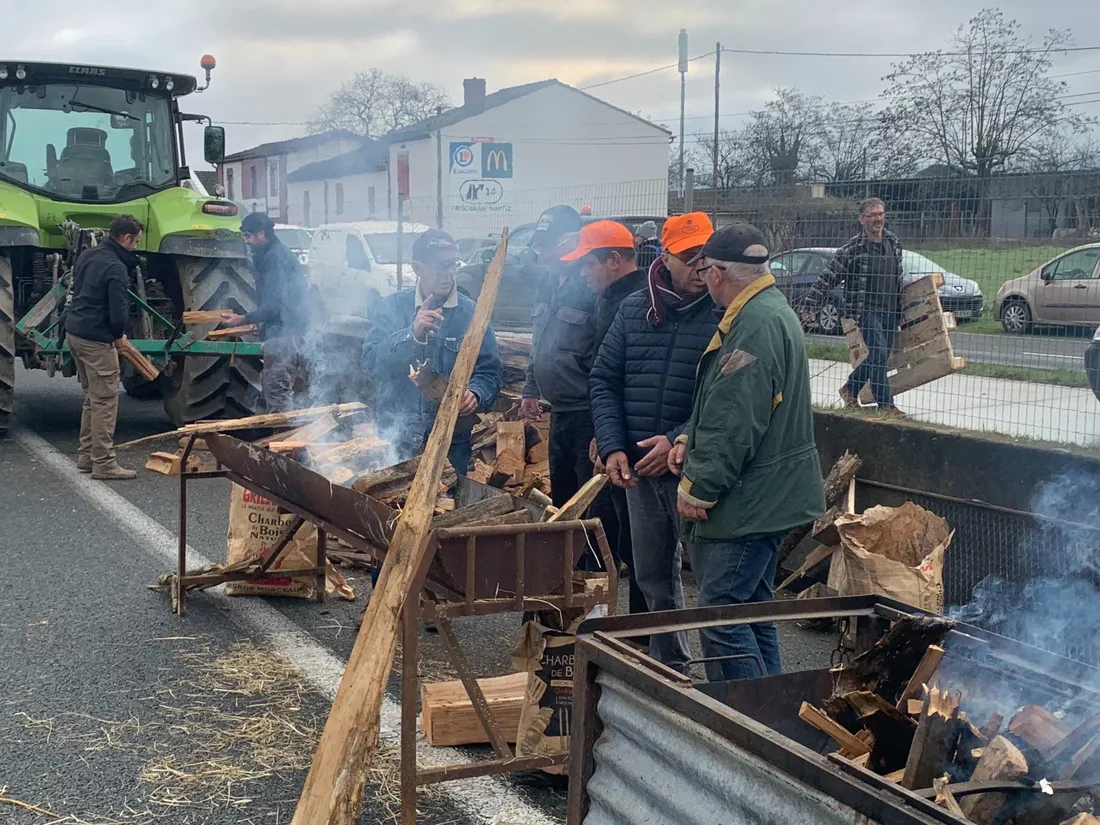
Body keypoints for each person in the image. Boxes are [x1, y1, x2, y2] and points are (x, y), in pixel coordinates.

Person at [669, 223, 825, 682]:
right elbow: (726, 400)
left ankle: (746, 721)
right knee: (751, 607)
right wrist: (686, 439)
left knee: (719, 612)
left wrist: (699, 485)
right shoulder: (767, 311)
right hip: (770, 493)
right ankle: (769, 709)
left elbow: (736, 415)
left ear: (717, 272)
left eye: (705, 271)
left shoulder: (755, 325)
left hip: (752, 499)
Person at [588, 213, 717, 672]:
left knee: (714, 583)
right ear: (664, 258)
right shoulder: (634, 309)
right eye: (689, 257)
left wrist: (681, 437)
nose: (701, 266)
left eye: (707, 255)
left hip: (695, 469)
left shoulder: (726, 313)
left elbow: (727, 398)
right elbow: (603, 379)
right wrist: (612, 445)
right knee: (652, 577)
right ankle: (672, 670)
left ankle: (725, 680)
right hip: (641, 470)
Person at [559, 219, 649, 607]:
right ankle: (608, 622)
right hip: (614, 435)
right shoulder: (607, 300)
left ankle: (642, 632)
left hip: (636, 443)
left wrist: (612, 438)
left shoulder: (639, 304)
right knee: (611, 531)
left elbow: (626, 379)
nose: (582, 273)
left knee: (637, 542)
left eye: (587, 264)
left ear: (614, 260)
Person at [363, 229, 502, 474]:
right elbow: (372, 363)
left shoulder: (472, 314)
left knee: (448, 507)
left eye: (452, 265)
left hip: (451, 442)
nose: (447, 274)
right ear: (417, 268)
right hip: (400, 438)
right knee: (394, 505)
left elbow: (489, 371)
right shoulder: (392, 307)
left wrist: (476, 393)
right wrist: (412, 334)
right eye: (440, 267)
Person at [803, 197, 905, 416]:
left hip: (891, 311)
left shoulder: (894, 243)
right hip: (867, 311)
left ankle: (850, 389)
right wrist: (811, 304)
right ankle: (885, 405)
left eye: (881, 214)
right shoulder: (853, 249)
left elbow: (899, 277)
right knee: (877, 355)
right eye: (873, 215)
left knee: (878, 358)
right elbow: (827, 277)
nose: (878, 219)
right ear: (862, 219)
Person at [65, 214, 145, 480]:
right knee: (106, 401)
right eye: (135, 242)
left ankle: (86, 456)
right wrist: (118, 335)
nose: (135, 247)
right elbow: (118, 311)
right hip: (96, 340)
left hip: (75, 333)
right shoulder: (116, 268)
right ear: (125, 238)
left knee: (92, 398)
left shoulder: (88, 255)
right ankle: (104, 463)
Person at [221, 211, 311, 412]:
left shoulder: (274, 259)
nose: (246, 241)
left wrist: (243, 319)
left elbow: (276, 303)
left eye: (248, 236)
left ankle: (285, 440)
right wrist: (260, 325)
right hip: (293, 330)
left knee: (278, 392)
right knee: (297, 392)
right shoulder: (276, 254)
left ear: (261, 234)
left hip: (285, 335)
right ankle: (298, 436)